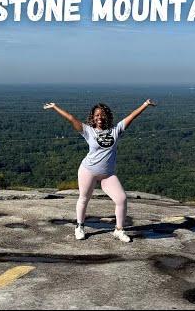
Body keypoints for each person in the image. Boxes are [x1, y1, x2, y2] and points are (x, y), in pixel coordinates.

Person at [43, 99, 156, 242]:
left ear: (107, 117)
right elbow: (71, 118)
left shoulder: (116, 130)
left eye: (102, 115)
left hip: (107, 175)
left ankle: (119, 230)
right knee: (84, 198)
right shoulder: (88, 131)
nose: (99, 118)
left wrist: (145, 105)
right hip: (88, 171)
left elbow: (132, 116)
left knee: (121, 199)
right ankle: (79, 226)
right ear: (93, 117)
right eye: (96, 115)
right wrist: (55, 107)